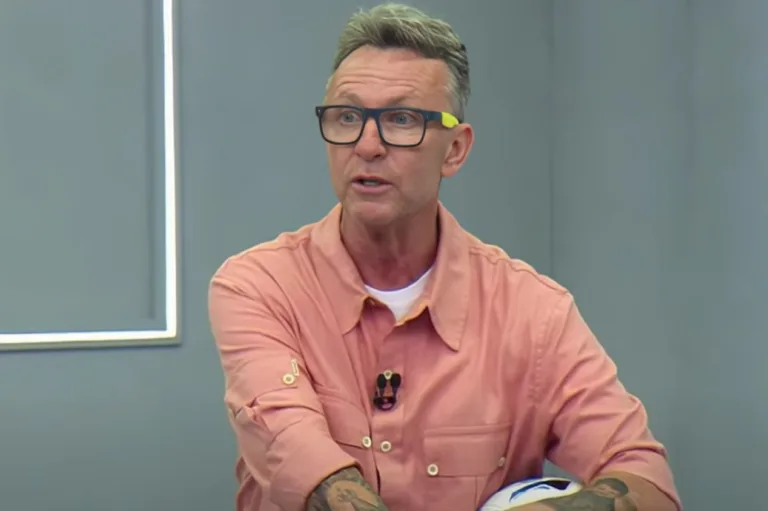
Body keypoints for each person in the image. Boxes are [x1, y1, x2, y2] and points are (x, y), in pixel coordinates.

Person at [207, 3, 682, 511]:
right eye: (348, 117)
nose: (367, 145)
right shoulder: (258, 287)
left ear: (455, 149)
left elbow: (645, 478)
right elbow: (297, 449)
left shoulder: (533, 313)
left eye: (402, 119)